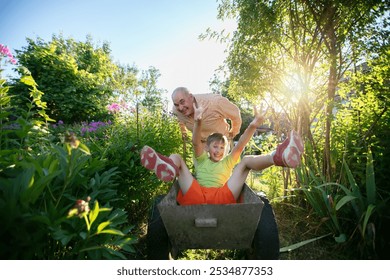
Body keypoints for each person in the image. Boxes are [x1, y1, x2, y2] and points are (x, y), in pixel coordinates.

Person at [140, 103, 304, 205]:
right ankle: (169, 166)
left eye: (221, 147)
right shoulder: (201, 159)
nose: (218, 150)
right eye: (215, 147)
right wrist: (197, 121)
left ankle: (277, 156)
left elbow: (240, 144)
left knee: (245, 160)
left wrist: (253, 125)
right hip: (197, 194)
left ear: (225, 150)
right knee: (177, 157)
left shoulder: (227, 162)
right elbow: (196, 141)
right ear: (207, 149)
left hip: (222, 196)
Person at [171, 87, 242, 146]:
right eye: (176, 105)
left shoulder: (215, 102)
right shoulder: (176, 110)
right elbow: (181, 120)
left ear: (191, 97)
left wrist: (233, 132)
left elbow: (235, 114)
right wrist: (184, 133)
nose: (180, 108)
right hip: (200, 146)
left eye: (182, 102)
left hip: (220, 144)